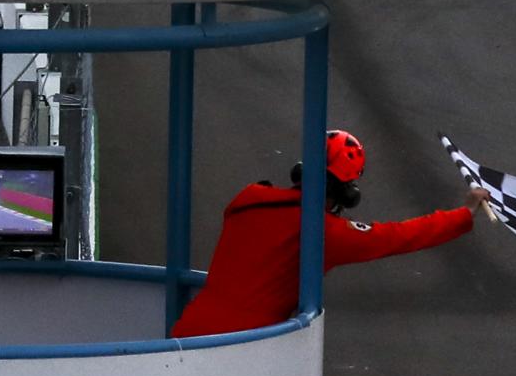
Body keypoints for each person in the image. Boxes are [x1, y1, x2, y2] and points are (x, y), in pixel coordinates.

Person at [171, 129, 491, 338]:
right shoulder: (325, 233)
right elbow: (399, 236)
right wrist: (463, 214)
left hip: (188, 330)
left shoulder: (249, 197)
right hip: (244, 344)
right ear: (345, 191)